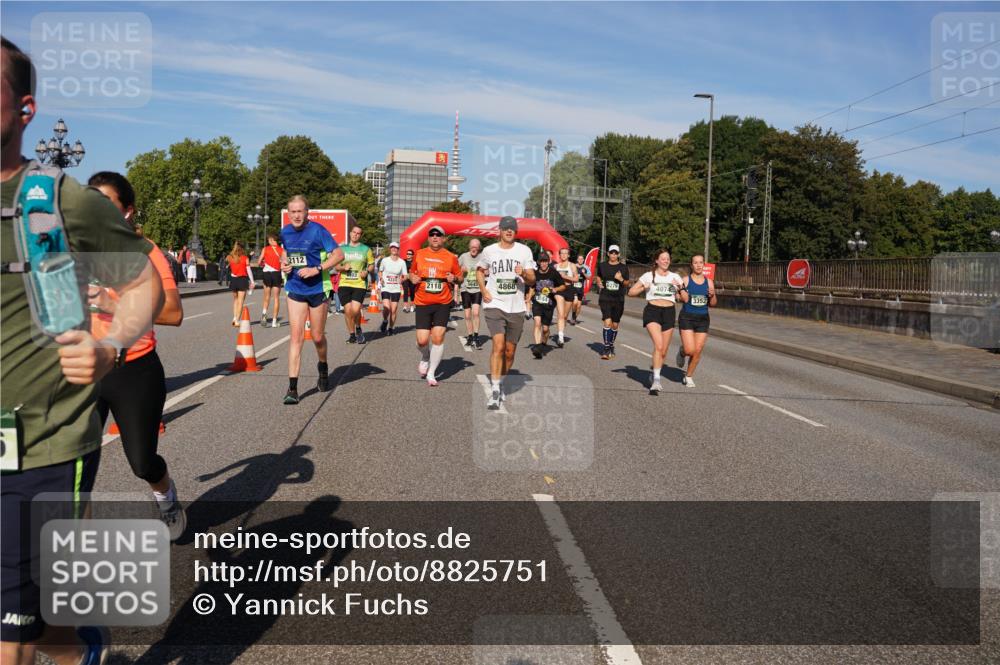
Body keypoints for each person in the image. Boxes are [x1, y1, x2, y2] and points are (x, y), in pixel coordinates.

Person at [1, 35, 164, 665]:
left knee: (11, 627)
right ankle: (85, 649)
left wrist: (111, 346)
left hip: (38, 445)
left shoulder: (61, 203)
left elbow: (143, 280)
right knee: (40, 627)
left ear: (26, 110)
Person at [86, 171, 187, 540]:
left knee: (142, 462)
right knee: (70, 466)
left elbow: (174, 313)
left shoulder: (146, 252)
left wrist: (116, 301)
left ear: (127, 211)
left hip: (134, 369)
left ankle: (166, 497)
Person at [279, 195, 343, 404]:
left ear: (307, 212)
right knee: (296, 337)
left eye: (300, 211)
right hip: (295, 288)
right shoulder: (285, 232)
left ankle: (323, 366)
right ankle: (292, 389)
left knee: (316, 337)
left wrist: (317, 268)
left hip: (318, 289)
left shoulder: (318, 231)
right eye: (292, 212)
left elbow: (339, 255)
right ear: (288, 214)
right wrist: (285, 264)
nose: (296, 215)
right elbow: (286, 254)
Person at [477, 216, 536, 409]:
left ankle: (500, 380)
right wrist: (484, 290)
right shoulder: (489, 251)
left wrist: (524, 273)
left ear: (516, 232)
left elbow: (532, 280)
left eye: (512, 229)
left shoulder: (524, 251)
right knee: (499, 346)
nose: (509, 231)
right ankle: (495, 390)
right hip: (495, 304)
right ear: (499, 231)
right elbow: (479, 270)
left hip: (516, 307)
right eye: (505, 228)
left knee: (510, 353)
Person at [408, 226, 460, 386]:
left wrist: (454, 279)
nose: (435, 237)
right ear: (428, 238)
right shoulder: (420, 254)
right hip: (423, 302)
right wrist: (412, 278)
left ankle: (432, 373)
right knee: (422, 341)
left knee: (438, 337)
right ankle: (425, 356)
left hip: (442, 302)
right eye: (432, 234)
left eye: (439, 235)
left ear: (444, 238)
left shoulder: (451, 257)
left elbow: (460, 277)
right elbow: (411, 273)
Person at [628, 249, 684, 395]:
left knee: (663, 351)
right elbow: (631, 292)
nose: (666, 261)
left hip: (669, 313)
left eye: (668, 259)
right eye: (663, 258)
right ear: (657, 261)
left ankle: (654, 372)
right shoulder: (648, 276)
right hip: (652, 311)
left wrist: (680, 288)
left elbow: (685, 298)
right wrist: (642, 287)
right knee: (658, 345)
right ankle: (657, 381)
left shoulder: (675, 277)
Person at [676, 254, 717, 388]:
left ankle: (688, 376)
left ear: (704, 264)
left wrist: (712, 295)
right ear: (691, 265)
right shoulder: (686, 280)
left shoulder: (709, 282)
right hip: (687, 316)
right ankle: (682, 352)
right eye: (696, 263)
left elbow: (713, 303)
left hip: (703, 318)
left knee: (697, 350)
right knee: (689, 350)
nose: (699, 265)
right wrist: (681, 291)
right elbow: (679, 297)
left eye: (701, 263)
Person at [336, 225, 374, 344]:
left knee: (355, 309)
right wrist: (343, 267)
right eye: (354, 232)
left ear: (360, 235)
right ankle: (352, 334)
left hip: (359, 283)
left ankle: (358, 327)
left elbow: (371, 265)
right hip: (344, 283)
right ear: (350, 233)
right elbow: (336, 266)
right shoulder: (342, 249)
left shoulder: (366, 249)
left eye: (358, 233)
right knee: (348, 311)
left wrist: (366, 271)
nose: (355, 235)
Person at [526, 252, 567, 359]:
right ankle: (537, 347)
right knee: (537, 323)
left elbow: (563, 286)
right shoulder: (535, 274)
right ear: (538, 262)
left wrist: (556, 289)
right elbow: (532, 287)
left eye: (545, 261)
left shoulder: (554, 273)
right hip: (537, 303)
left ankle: (543, 344)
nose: (543, 264)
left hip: (549, 304)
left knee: (545, 329)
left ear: (548, 262)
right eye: (541, 262)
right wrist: (528, 299)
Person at [593, 244, 630, 360]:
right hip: (605, 298)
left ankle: (611, 344)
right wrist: (598, 282)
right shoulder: (602, 265)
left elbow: (627, 283)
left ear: (618, 254)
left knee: (615, 325)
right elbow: (598, 276)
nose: (613, 255)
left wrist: (620, 279)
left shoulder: (623, 268)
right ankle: (606, 348)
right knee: (607, 322)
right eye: (611, 252)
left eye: (615, 253)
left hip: (618, 299)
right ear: (608, 253)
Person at [457, 238, 484, 350]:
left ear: (479, 248)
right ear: (469, 247)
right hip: (465, 289)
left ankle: (476, 337)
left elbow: (489, 269)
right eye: (472, 247)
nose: (474, 249)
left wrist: (486, 272)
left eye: (476, 247)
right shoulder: (463, 257)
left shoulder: (483, 257)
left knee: (476, 313)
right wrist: (461, 271)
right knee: (468, 315)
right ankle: (469, 336)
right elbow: (455, 269)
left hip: (477, 289)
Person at [378, 242, 407, 335]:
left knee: (393, 309)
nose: (394, 249)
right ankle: (385, 321)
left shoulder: (402, 262)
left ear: (398, 250)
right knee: (386, 308)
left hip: (396, 288)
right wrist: (381, 278)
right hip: (385, 287)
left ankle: (390, 328)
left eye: (396, 248)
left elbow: (405, 275)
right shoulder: (385, 260)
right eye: (392, 247)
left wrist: (402, 280)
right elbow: (380, 271)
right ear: (390, 249)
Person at [552, 247, 578, 347]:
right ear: (559, 255)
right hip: (559, 290)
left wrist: (565, 276)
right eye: (561, 253)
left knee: (565, 316)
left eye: (565, 253)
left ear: (568, 255)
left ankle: (561, 332)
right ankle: (561, 338)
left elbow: (576, 279)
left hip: (569, 289)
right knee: (560, 314)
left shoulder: (572, 266)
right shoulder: (555, 266)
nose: (563, 255)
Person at [259, 233, 285, 327]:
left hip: (266, 273)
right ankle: (274, 322)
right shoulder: (281, 250)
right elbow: (284, 263)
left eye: (269, 240)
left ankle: (264, 315)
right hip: (276, 273)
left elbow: (259, 261)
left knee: (266, 297)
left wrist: (262, 264)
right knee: (276, 298)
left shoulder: (265, 249)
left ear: (271, 240)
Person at [225, 241, 254, 326]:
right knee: (241, 301)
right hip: (242, 280)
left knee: (235, 300)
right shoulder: (245, 258)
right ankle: (237, 320)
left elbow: (228, 266)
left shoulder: (230, 257)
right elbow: (249, 271)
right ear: (242, 248)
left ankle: (234, 317)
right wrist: (252, 281)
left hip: (233, 280)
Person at [571, 253, 590, 324]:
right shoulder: (573, 266)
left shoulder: (586, 267)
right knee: (575, 302)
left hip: (581, 289)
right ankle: (573, 316)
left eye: (582, 259)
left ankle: (574, 318)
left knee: (579, 306)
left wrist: (584, 273)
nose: (580, 260)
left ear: (584, 260)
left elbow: (589, 277)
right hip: (574, 288)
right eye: (579, 259)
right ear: (577, 259)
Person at [402, 248, 416, 313]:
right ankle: (405, 307)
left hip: (412, 278)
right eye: (407, 253)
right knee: (405, 291)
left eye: (410, 254)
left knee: (412, 292)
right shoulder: (403, 261)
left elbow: (417, 270)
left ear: (412, 255)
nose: (408, 255)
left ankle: (412, 306)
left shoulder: (414, 262)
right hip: (405, 278)